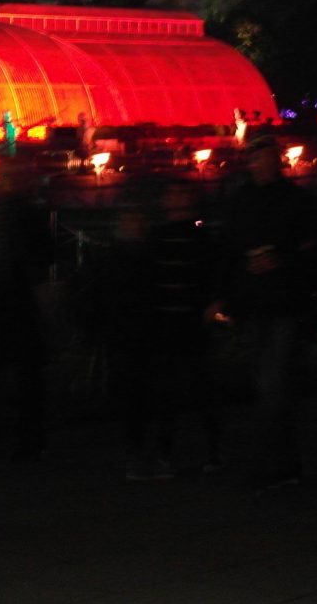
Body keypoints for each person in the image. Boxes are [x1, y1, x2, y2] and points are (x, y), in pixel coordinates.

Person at [82, 183, 220, 480]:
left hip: (166, 326)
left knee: (175, 390)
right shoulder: (149, 245)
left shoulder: (158, 244)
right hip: (149, 328)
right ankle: (156, 452)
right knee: (153, 391)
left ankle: (167, 452)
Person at [213, 139, 317, 490]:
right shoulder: (242, 201)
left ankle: (270, 461)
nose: (258, 165)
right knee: (268, 384)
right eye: (254, 159)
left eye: (264, 158)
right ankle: (284, 462)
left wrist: (280, 259)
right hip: (254, 303)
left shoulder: (296, 201)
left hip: (282, 303)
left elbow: (313, 248)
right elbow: (229, 249)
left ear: (276, 162)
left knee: (272, 383)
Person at [0, 167, 56, 461]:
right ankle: (24, 438)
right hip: (15, 302)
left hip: (7, 301)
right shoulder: (21, 215)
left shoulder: (2, 215)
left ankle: (3, 436)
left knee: (4, 372)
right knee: (23, 376)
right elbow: (45, 255)